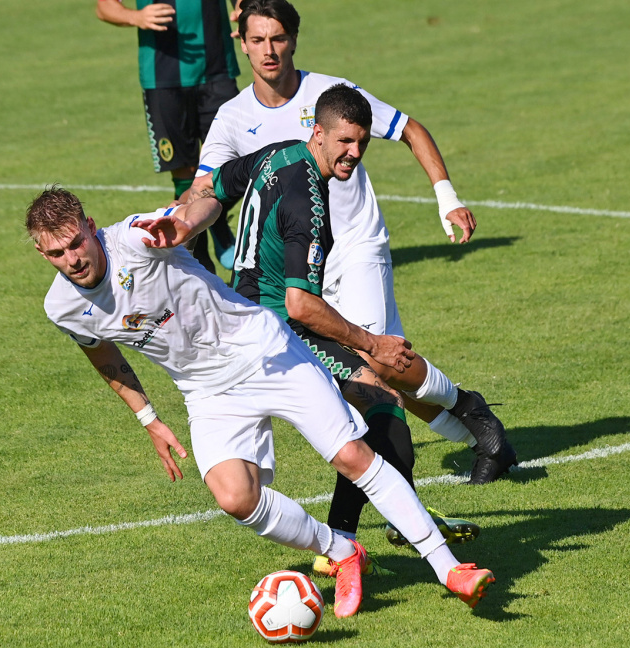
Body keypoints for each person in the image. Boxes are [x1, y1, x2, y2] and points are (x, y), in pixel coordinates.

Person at [26, 185, 496, 616]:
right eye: (56, 253)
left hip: (264, 352)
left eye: (75, 243)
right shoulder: (61, 307)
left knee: (352, 455)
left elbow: (202, 205)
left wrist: (189, 224)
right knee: (235, 497)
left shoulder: (135, 237)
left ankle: (449, 567)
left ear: (90, 228)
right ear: (41, 252)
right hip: (207, 391)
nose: (71, 259)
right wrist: (148, 418)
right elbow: (102, 353)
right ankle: (342, 551)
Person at [195, 0, 517, 485]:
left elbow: (409, 128)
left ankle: (449, 434)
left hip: (356, 248)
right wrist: (169, 225)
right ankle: (477, 430)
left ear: (294, 39)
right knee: (361, 378)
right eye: (257, 40)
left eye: (278, 38)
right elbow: (205, 188)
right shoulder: (233, 117)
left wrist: (446, 197)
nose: (269, 50)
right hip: (301, 269)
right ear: (241, 44)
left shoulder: (329, 93)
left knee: (373, 363)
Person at [188, 84, 481, 577]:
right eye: (345, 141)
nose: (354, 153)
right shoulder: (310, 203)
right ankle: (343, 547)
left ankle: (356, 543)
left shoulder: (275, 155)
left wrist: (176, 226)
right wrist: (371, 343)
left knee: (378, 416)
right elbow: (300, 306)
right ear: (318, 132)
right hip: (275, 332)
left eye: (362, 143)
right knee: (387, 431)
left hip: (246, 322)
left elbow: (208, 189)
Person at [95, 0, 240, 272]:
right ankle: (198, 261)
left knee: (229, 161)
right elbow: (104, 7)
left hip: (218, 68)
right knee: (183, 171)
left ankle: (218, 225)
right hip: (163, 77)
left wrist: (245, 7)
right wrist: (135, 16)